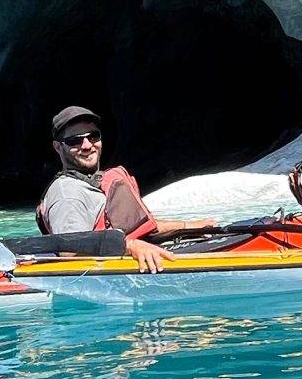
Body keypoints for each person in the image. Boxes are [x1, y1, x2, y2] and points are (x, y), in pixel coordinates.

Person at [35, 105, 214, 271]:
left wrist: (187, 226)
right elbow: (70, 250)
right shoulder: (67, 194)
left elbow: (139, 228)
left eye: (93, 136)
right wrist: (130, 246)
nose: (87, 146)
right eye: (75, 141)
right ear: (58, 147)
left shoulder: (93, 182)